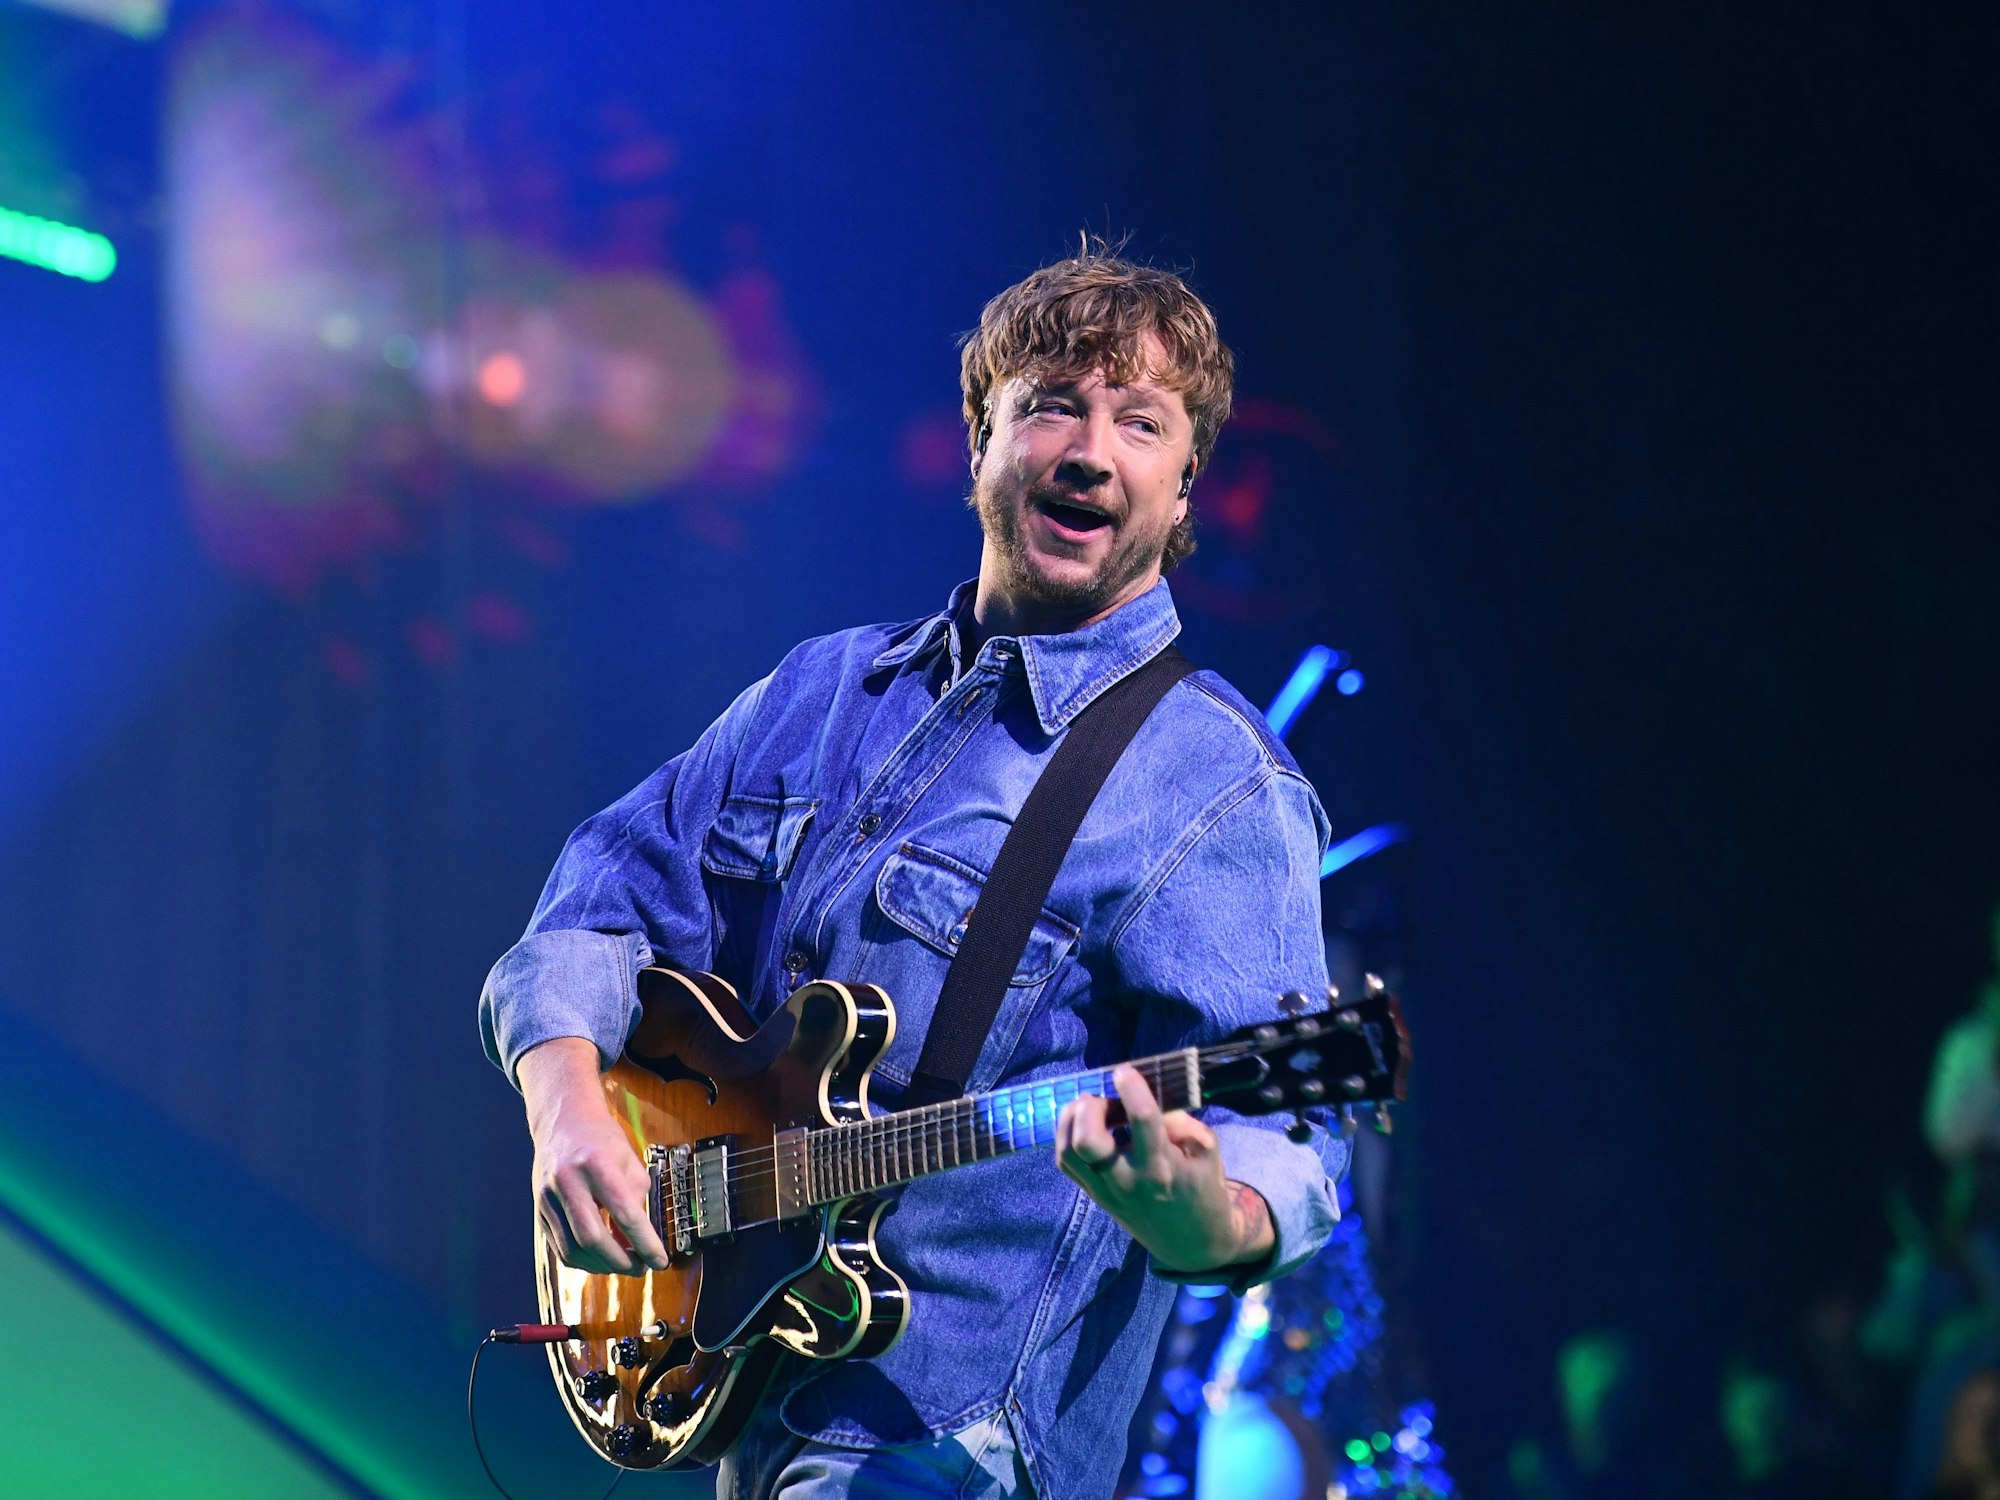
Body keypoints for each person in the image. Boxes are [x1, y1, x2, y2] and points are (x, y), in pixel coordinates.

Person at [479, 243, 1348, 1500]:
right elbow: (598, 899)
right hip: (752, 1396)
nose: (1090, 451)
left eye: (1140, 423)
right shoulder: (824, 688)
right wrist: (565, 1111)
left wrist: (1203, 1222)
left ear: (1179, 487)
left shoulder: (1217, 786)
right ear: (978, 441)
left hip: (950, 1447)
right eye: (1051, 405)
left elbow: (1287, 1133)